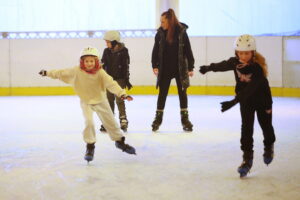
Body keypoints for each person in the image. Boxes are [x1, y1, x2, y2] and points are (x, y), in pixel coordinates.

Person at [39, 47, 136, 163]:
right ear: (82, 61)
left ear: (96, 61)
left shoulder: (100, 73)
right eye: (86, 61)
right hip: (86, 101)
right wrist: (47, 73)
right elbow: (61, 73)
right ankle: (90, 146)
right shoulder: (76, 71)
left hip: (101, 100)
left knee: (111, 121)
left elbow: (111, 84)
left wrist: (122, 94)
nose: (89, 63)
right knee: (88, 122)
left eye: (91, 61)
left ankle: (120, 142)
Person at [199, 34, 276, 177]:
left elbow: (250, 89)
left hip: (262, 100)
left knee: (265, 126)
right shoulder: (235, 62)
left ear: (252, 52)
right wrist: (208, 68)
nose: (243, 56)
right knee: (246, 128)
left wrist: (234, 101)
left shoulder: (257, 69)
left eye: (246, 53)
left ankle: (268, 146)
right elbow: (222, 65)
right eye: (240, 53)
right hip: (246, 101)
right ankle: (247, 160)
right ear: (236, 52)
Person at [151, 8, 195, 132]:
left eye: (163, 22)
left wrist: (191, 67)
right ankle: (158, 119)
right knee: (162, 94)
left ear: (169, 22)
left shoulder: (181, 32)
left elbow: (188, 50)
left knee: (183, 94)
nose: (161, 24)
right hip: (165, 69)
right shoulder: (160, 34)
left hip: (180, 69)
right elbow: (155, 51)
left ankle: (185, 120)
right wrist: (154, 65)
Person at [99, 30, 132, 133]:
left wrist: (126, 79)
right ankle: (109, 121)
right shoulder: (106, 51)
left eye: (108, 42)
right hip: (109, 80)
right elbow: (103, 65)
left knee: (120, 99)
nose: (106, 44)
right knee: (109, 100)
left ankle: (123, 119)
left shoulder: (124, 51)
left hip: (120, 79)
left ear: (114, 42)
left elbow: (126, 66)